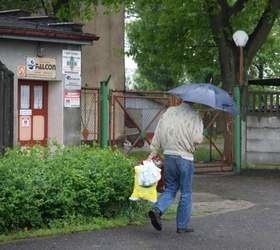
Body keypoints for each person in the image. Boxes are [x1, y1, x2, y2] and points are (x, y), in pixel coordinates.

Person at [146, 101, 203, 233]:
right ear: (194, 102)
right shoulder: (195, 116)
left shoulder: (169, 112)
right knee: (186, 192)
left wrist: (153, 153)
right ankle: (182, 226)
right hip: (185, 158)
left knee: (171, 188)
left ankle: (157, 209)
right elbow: (197, 138)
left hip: (169, 156)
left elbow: (158, 133)